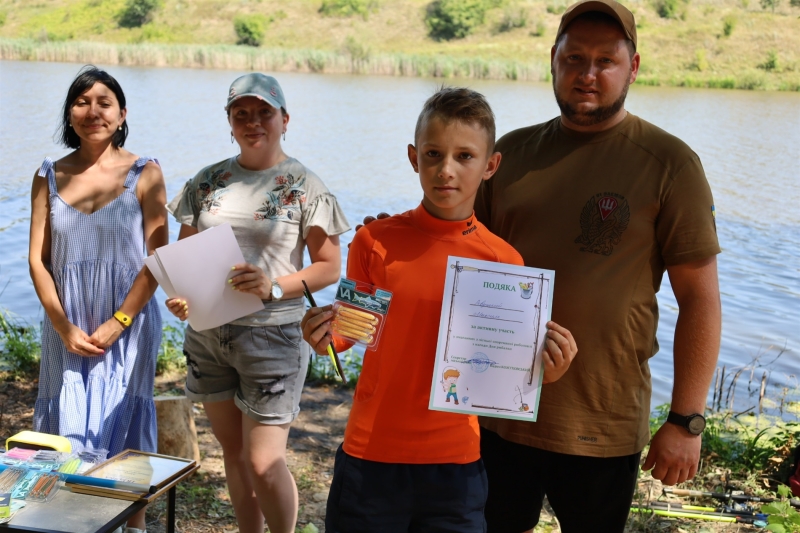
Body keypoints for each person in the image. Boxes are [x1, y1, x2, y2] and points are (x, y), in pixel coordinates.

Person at [473, 1, 723, 531]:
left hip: (600, 422)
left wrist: (686, 421)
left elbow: (700, 298)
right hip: (499, 415)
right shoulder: (507, 155)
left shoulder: (670, 164)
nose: (588, 74)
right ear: (553, 60)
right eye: (575, 58)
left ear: (633, 67)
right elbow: (463, 262)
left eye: (606, 61)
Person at [300, 87, 578, 532]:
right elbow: (348, 332)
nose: (446, 170)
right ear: (414, 157)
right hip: (371, 456)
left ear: (490, 165)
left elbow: (509, 374)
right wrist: (323, 333)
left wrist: (547, 368)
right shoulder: (376, 240)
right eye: (433, 154)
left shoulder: (505, 263)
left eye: (464, 156)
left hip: (456, 465)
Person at [165, 73, 349, 533]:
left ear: (284, 119)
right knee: (234, 454)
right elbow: (184, 258)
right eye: (241, 113)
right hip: (208, 333)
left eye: (264, 112)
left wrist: (274, 286)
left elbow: (328, 267)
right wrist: (181, 299)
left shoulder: (304, 184)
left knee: (264, 461)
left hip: (274, 336)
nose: (253, 122)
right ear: (229, 122)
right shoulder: (207, 181)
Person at [29, 65, 167, 533]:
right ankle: (67, 520)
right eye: (82, 102)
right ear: (70, 114)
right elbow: (38, 261)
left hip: (127, 322)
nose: (93, 111)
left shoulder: (145, 173)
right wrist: (64, 326)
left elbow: (158, 258)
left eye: (104, 102)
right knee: (66, 423)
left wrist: (120, 320)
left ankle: (134, 524)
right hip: (65, 323)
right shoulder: (48, 174)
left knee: (126, 416)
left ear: (121, 113)